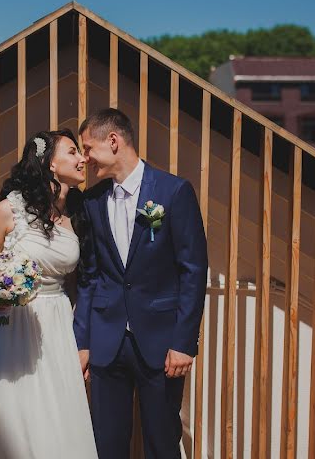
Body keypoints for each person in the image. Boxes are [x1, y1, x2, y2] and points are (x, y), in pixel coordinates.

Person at [75, 108, 208, 459]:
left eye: (88, 149)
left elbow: (193, 271)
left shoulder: (174, 191)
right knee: (107, 444)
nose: (85, 159)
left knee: (162, 443)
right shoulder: (92, 202)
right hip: (107, 343)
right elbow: (89, 277)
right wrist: (83, 342)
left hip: (162, 344)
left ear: (114, 141)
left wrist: (184, 342)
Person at [0, 129, 98, 459]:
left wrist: (83, 340)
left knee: (56, 420)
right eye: (72, 152)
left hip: (57, 325)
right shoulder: (9, 209)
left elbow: (83, 282)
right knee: (14, 418)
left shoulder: (78, 214)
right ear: (51, 164)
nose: (82, 158)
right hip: (14, 323)